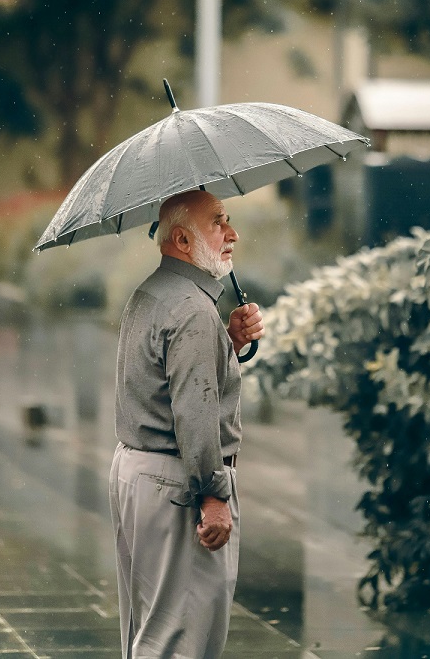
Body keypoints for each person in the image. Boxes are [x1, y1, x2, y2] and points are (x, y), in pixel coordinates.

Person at [108, 189, 264, 659]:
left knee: (151, 631)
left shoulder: (152, 293)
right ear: (180, 238)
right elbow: (193, 415)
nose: (231, 233)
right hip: (178, 484)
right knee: (182, 640)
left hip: (139, 475)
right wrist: (214, 495)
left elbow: (164, 382)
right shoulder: (193, 310)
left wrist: (226, 344)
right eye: (218, 222)